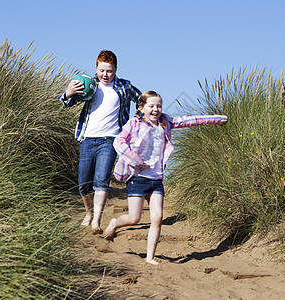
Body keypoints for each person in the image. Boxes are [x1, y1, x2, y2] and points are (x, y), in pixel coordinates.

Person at [103, 91, 227, 264]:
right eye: (151, 106)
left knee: (157, 217)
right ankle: (115, 223)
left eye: (159, 106)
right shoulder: (134, 123)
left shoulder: (165, 123)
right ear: (142, 108)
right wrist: (136, 161)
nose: (156, 109)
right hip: (137, 178)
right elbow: (118, 142)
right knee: (134, 218)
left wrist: (217, 119)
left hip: (156, 180)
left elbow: (188, 120)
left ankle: (150, 257)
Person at [57, 50, 141, 234]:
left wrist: (138, 118)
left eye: (109, 71)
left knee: (101, 181)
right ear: (96, 68)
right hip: (87, 139)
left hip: (110, 140)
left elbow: (141, 99)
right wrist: (68, 93)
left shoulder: (124, 86)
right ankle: (88, 212)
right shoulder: (89, 84)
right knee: (83, 184)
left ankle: (96, 221)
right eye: (102, 70)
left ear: (115, 70)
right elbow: (66, 103)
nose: (105, 74)